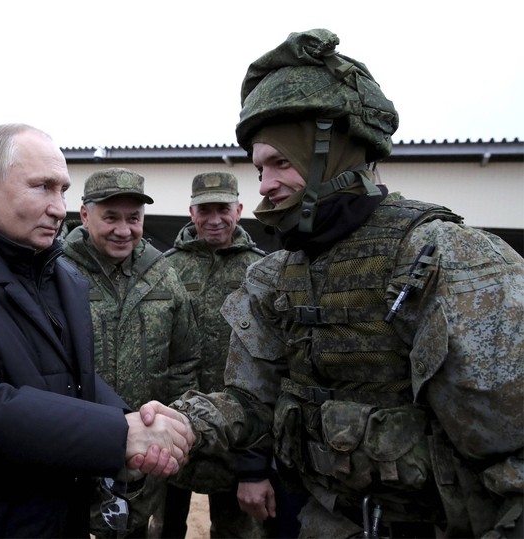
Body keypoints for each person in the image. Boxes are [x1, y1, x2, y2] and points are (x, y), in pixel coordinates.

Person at [170, 29, 524, 538]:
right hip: (319, 520)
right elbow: (251, 403)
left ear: (332, 152)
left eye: (280, 162)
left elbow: (511, 455)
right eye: (259, 168)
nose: (265, 184)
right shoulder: (274, 274)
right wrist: (182, 423)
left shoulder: (446, 259)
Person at [0, 123, 196, 538]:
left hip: (62, 516)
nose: (59, 207)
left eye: (62, 189)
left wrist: (135, 423)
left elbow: (76, 380)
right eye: (43, 187)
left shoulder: (62, 277)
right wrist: (118, 434)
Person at [59, 167, 201, 537]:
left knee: (133, 529)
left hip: (143, 456)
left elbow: (184, 360)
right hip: (73, 448)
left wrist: (174, 425)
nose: (124, 230)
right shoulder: (57, 271)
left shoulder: (163, 274)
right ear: (85, 215)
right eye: (111, 217)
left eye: (133, 218)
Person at [160, 172, 278, 539]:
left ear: (240, 210)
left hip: (238, 437)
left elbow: (270, 364)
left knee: (236, 532)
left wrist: (255, 462)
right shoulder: (165, 268)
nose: (215, 219)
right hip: (174, 427)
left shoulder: (262, 269)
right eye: (205, 209)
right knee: (163, 528)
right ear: (191, 213)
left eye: (223, 209)